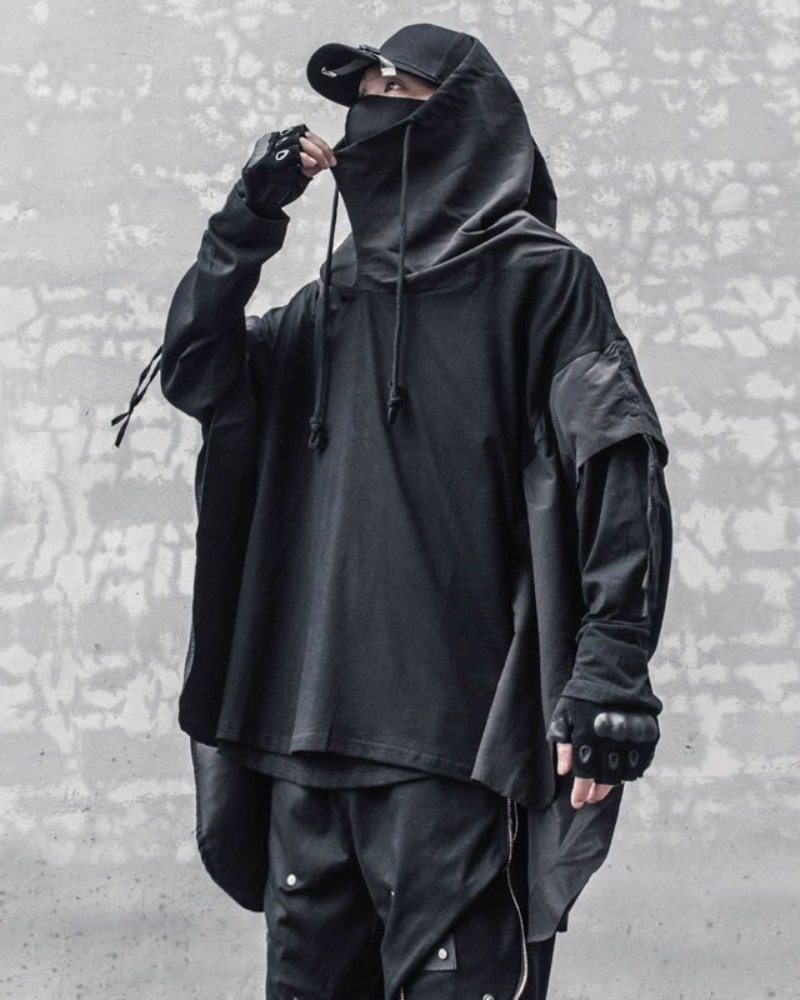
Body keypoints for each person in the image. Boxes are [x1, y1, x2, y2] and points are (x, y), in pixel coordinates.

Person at [157, 22, 671, 1000]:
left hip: (458, 752)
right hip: (302, 745)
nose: (369, 107)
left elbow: (617, 466)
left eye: (397, 87)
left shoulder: (540, 279)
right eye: (361, 91)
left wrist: (610, 678)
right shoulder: (329, 303)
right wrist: (246, 218)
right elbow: (197, 371)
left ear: (464, 115)